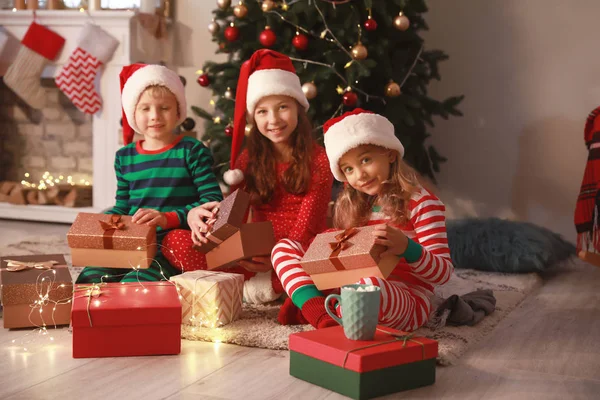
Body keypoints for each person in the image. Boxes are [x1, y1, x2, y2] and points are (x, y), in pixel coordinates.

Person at [162, 50, 333, 303]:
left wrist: (277, 256)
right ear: (254, 117)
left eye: (282, 107)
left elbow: (306, 227)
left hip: (298, 250)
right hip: (253, 253)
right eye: (263, 112)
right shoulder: (248, 159)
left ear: (298, 108)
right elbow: (233, 218)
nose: (273, 119)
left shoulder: (319, 159)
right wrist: (213, 233)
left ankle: (276, 282)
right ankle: (268, 284)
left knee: (326, 258)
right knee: (175, 240)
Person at [271, 109, 454, 331]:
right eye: (348, 169)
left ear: (390, 153)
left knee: (370, 287)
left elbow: (443, 273)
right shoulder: (357, 206)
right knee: (283, 248)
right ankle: (321, 314)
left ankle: (326, 306)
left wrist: (407, 247)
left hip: (408, 297)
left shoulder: (422, 203)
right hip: (352, 287)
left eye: (365, 160)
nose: (359, 175)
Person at [76, 64, 223, 284]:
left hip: (171, 244)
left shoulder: (192, 150)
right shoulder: (124, 157)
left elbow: (212, 201)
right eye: (145, 109)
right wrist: (98, 226)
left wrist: (168, 218)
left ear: (178, 111)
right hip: (131, 240)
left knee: (135, 284)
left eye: (164, 108)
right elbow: (123, 206)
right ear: (133, 114)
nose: (155, 116)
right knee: (90, 277)